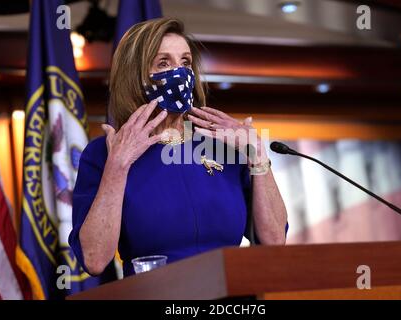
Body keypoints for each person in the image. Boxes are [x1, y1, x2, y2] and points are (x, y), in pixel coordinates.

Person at [68, 17, 288, 277]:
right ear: (135, 77)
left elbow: (274, 240)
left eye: (185, 62)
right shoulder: (104, 154)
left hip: (232, 294)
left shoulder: (224, 144)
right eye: (164, 63)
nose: (181, 72)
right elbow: (94, 259)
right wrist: (118, 165)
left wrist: (257, 155)